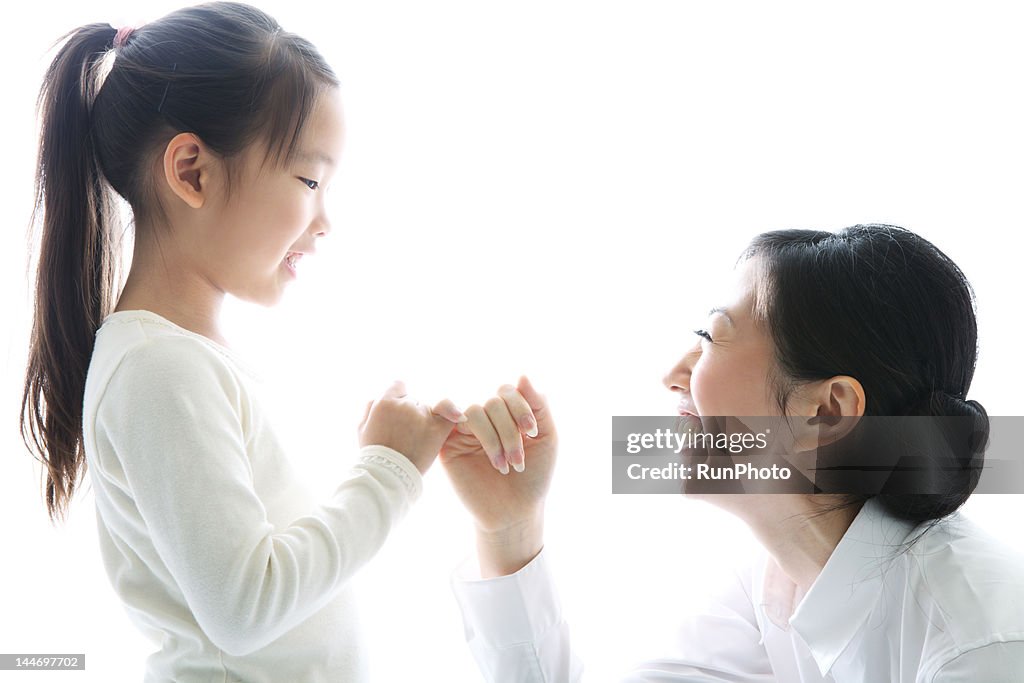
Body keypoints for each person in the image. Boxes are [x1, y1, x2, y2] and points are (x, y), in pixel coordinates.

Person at [18, 3, 514, 680]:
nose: (325, 220)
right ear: (191, 170)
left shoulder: (180, 361)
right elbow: (245, 607)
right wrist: (385, 473)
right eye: (310, 181)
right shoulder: (160, 370)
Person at [441, 225, 1024, 681]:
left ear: (826, 412)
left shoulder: (981, 649)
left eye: (710, 338)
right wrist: (509, 529)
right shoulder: (773, 585)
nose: (672, 376)